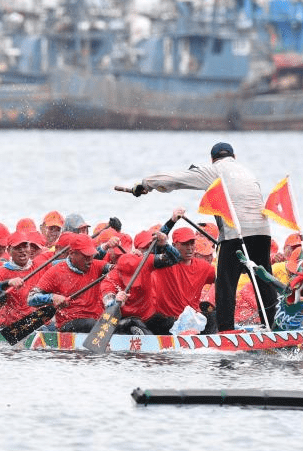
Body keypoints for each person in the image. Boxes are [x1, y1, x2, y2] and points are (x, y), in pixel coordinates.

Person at [132, 141, 276, 331]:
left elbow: (177, 179)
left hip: (236, 234)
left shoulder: (214, 170)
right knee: (263, 279)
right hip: (263, 233)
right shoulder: (248, 172)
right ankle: (274, 325)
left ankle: (226, 331)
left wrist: (145, 185)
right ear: (234, 157)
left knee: (226, 284)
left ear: (212, 159)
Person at [100, 229, 181, 334]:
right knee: (135, 324)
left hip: (147, 317)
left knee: (170, 323)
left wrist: (164, 244)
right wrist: (116, 301)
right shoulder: (110, 278)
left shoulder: (145, 262)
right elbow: (108, 301)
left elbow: (175, 258)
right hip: (123, 320)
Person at [28, 234, 108, 333]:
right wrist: (52, 297)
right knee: (91, 324)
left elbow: (116, 268)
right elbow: (31, 299)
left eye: (91, 255)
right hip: (69, 323)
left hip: (96, 322)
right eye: (86, 256)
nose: (90, 260)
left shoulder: (97, 265)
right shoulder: (55, 271)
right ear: (71, 253)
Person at [149, 226, 217, 334]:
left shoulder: (205, 267)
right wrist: (172, 220)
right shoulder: (164, 263)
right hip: (169, 321)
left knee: (214, 315)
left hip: (193, 321)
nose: (189, 248)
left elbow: (222, 283)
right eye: (185, 244)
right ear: (174, 245)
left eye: (192, 243)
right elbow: (157, 245)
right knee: (155, 319)